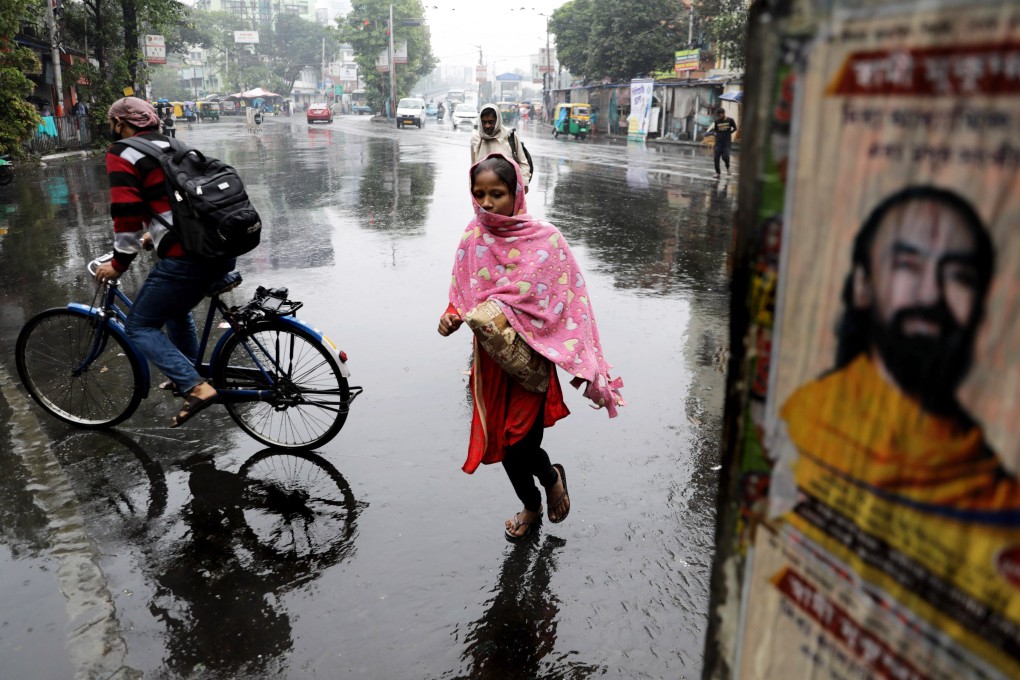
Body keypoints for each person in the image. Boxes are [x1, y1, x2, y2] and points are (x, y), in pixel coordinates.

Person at [778, 185, 1019, 518]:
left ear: (980, 306)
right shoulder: (804, 422)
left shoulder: (997, 499)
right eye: (908, 265)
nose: (931, 294)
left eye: (959, 276)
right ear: (862, 286)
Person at [438, 154, 624, 541]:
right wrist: (450, 317)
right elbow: (461, 294)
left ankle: (551, 476)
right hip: (492, 362)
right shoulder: (472, 238)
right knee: (504, 446)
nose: (487, 203)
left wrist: (577, 358)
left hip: (531, 361)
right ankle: (532, 504)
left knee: (520, 443)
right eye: (479, 195)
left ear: (517, 193)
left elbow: (568, 300)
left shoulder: (545, 239)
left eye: (497, 194)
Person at [93, 97, 233, 428]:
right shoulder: (174, 144)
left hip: (188, 257)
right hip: (220, 248)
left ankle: (196, 387)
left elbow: (126, 214)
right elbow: (176, 204)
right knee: (175, 308)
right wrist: (152, 235)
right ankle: (186, 370)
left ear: (118, 124)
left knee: (138, 326)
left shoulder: (122, 152)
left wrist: (119, 262)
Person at [470, 104, 533, 193]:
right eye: (484, 122)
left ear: (498, 120)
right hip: (485, 191)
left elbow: (523, 163)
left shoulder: (509, 136)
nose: (487, 126)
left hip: (508, 190)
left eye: (491, 122)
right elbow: (473, 167)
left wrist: (524, 184)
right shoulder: (476, 139)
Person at [706, 107, 737, 178]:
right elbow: (715, 130)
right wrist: (715, 134)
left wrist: (729, 133)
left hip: (726, 143)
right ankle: (718, 173)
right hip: (718, 143)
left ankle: (728, 167)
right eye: (718, 115)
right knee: (716, 158)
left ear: (723, 114)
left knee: (725, 157)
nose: (719, 117)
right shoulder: (717, 121)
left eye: (719, 115)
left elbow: (735, 128)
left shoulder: (730, 120)